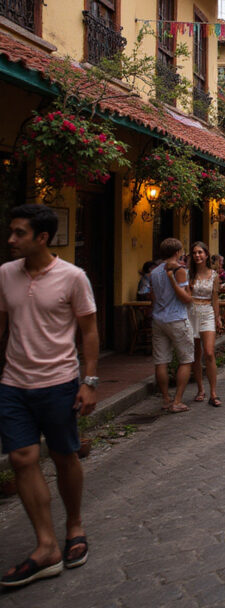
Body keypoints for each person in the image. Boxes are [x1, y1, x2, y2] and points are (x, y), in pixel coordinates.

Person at [0, 205, 99, 587]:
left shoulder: (73, 277)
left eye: (19, 233)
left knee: (63, 455)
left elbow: (89, 331)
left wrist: (89, 380)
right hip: (13, 382)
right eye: (11, 231)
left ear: (42, 237)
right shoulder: (5, 275)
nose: (11, 239)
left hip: (58, 381)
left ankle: (74, 524)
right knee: (22, 458)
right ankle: (45, 546)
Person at [150, 238, 194, 414]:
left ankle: (166, 399)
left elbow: (153, 297)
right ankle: (177, 401)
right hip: (176, 318)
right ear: (177, 252)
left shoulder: (154, 272)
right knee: (186, 359)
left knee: (161, 361)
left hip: (159, 319)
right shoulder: (179, 270)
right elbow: (185, 298)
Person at [188, 241, 222, 407]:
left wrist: (218, 317)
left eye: (200, 252)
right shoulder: (188, 274)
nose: (197, 255)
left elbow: (215, 298)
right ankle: (200, 389)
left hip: (207, 312)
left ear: (206, 255)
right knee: (196, 353)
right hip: (191, 313)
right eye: (194, 253)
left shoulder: (214, 275)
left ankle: (213, 392)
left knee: (209, 352)